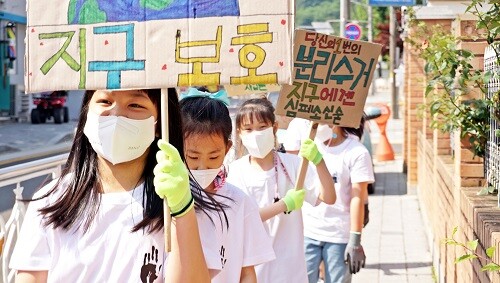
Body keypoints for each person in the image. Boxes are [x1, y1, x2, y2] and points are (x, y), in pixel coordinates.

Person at [9, 88, 221, 283]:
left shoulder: (186, 204)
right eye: (104, 101)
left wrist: (182, 210)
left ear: (161, 123)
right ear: (86, 115)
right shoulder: (50, 200)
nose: (116, 115)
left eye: (136, 105)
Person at [227, 97, 336, 283]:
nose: (256, 134)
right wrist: (284, 204)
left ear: (274, 128)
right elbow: (243, 218)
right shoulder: (236, 170)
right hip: (253, 271)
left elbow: (329, 197)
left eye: (262, 127)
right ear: (239, 132)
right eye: (248, 129)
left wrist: (319, 162)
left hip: (291, 270)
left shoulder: (294, 165)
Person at [179, 87, 275, 283]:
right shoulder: (164, 200)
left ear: (228, 148)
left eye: (214, 156)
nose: (203, 166)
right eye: (193, 156)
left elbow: (247, 272)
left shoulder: (239, 203)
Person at [302, 118, 375, 283]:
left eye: (321, 120)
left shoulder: (356, 152)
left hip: (339, 235)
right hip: (307, 232)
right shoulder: (307, 147)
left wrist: (355, 240)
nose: (316, 124)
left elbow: (358, 197)